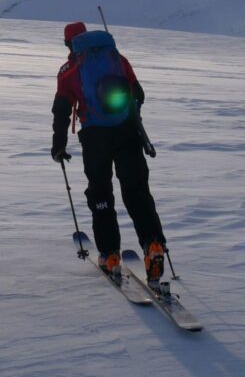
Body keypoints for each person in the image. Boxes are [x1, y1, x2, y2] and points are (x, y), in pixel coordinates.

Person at [50, 21, 168, 289]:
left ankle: (110, 255)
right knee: (137, 192)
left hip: (95, 139)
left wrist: (58, 146)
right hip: (127, 132)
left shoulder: (69, 70)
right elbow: (138, 93)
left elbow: (61, 110)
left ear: (69, 43)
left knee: (101, 194)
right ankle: (153, 247)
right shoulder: (117, 57)